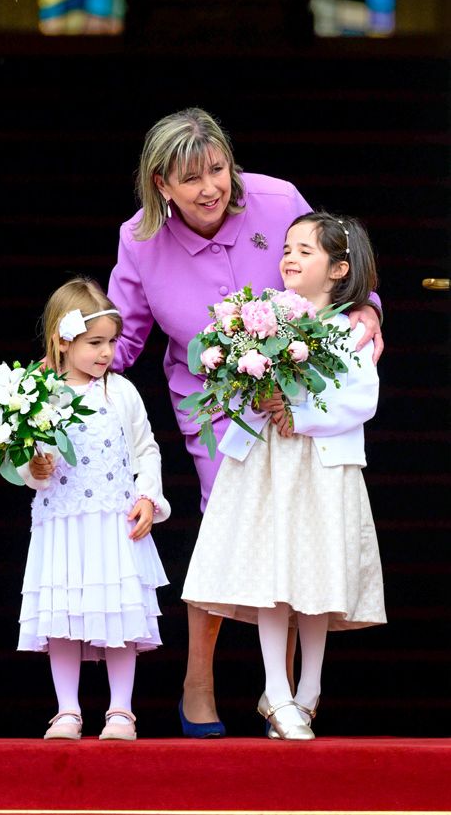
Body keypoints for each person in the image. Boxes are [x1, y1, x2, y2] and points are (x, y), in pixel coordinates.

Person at [107, 107, 384, 737]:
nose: (211, 188)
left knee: (292, 522)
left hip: (298, 397)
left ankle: (280, 695)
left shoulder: (277, 198)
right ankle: (199, 680)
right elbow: (123, 342)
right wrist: (70, 365)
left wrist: (369, 313)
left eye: (218, 169)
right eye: (191, 179)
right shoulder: (140, 239)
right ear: (161, 186)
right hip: (214, 403)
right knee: (231, 522)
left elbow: (341, 270)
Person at [182, 211, 387, 740]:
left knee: (317, 579)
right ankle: (275, 690)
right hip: (269, 467)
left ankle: (309, 691)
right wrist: (257, 397)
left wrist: (302, 415)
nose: (290, 258)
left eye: (305, 251)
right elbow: (238, 383)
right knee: (271, 574)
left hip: (320, 468)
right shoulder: (260, 316)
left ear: (339, 269)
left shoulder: (350, 329)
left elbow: (361, 398)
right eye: (288, 248)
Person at [17, 276, 171, 741]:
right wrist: (33, 468)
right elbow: (23, 452)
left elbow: (146, 450)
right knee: (63, 615)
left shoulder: (120, 392)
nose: (106, 353)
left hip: (114, 522)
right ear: (62, 342)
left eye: (111, 342)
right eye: (94, 343)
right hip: (62, 523)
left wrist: (148, 497)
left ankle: (120, 710)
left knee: (118, 612)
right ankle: (68, 710)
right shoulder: (38, 394)